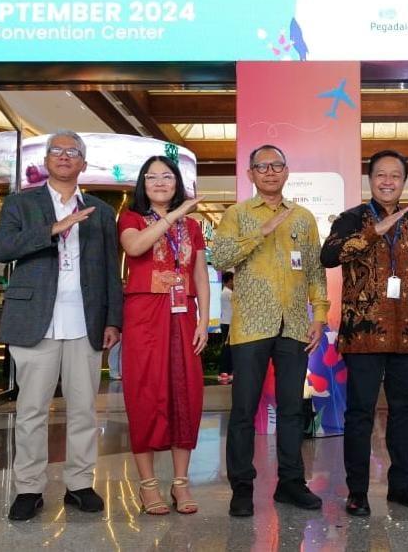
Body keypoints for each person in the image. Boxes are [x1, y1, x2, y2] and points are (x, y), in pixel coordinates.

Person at [0, 130, 123, 521]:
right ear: (47, 160)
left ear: (84, 163)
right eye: (57, 151)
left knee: (84, 409)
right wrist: (53, 229)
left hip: (86, 322)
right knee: (31, 410)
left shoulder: (101, 211)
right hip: (35, 319)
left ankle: (80, 484)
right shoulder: (21, 203)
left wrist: (113, 319)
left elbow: (111, 270)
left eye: (73, 152)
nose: (64, 156)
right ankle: (28, 489)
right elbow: (2, 249)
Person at [210, 144, 329, 518]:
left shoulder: (303, 218)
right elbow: (221, 257)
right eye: (262, 167)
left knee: (293, 409)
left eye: (277, 165)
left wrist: (319, 315)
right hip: (251, 326)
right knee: (243, 410)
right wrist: (261, 232)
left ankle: (290, 483)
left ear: (287, 171)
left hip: (293, 324)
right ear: (250, 174)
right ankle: (242, 488)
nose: (270, 172)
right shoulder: (237, 214)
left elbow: (315, 271)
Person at [320, 149, 408, 517]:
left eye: (395, 176)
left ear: (404, 182)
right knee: (360, 413)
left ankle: (401, 486)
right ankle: (357, 492)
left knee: (404, 411)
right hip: (364, 334)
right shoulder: (351, 219)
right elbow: (328, 256)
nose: (388, 182)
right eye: (381, 175)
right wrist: (374, 233)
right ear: (370, 180)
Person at [118, 156, 208, 515]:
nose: (159, 182)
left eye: (167, 176)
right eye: (151, 177)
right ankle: (148, 485)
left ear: (177, 182)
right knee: (144, 392)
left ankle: (181, 483)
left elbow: (200, 274)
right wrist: (174, 215)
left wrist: (204, 319)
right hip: (144, 314)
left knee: (186, 393)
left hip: (183, 314)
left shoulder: (193, 226)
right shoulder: (131, 218)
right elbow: (135, 247)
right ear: (143, 183)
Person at [217, 271, 234, 383]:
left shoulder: (226, 292)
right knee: (227, 349)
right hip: (228, 324)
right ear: (229, 280)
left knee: (228, 348)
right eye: (234, 280)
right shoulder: (229, 293)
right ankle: (224, 372)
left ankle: (226, 371)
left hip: (226, 323)